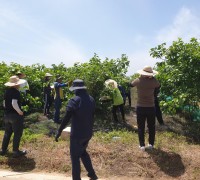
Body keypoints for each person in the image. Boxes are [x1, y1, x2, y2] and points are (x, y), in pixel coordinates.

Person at [55, 79, 98, 180]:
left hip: (77, 134)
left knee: (75, 158)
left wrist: (59, 131)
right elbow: (92, 115)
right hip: (88, 133)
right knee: (83, 152)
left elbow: (66, 118)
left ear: (76, 89)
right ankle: (92, 174)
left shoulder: (74, 100)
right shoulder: (91, 99)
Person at [130, 66, 160, 151]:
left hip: (140, 107)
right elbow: (159, 85)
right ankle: (151, 144)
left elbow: (131, 84)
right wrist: (152, 78)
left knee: (141, 127)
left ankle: (142, 145)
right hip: (151, 107)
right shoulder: (154, 81)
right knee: (151, 126)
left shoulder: (138, 80)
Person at [0, 76, 27, 158]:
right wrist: (20, 112)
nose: (19, 85)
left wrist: (8, 111)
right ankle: (15, 151)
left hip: (7, 115)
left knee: (7, 133)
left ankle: (3, 150)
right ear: (16, 85)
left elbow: (4, 104)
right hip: (15, 116)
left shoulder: (7, 92)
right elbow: (14, 103)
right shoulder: (16, 92)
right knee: (17, 134)